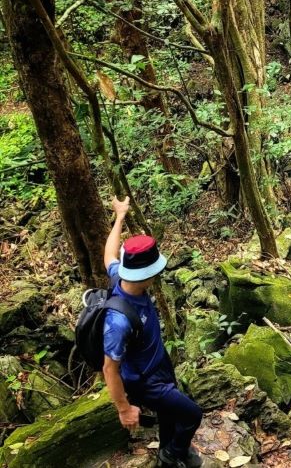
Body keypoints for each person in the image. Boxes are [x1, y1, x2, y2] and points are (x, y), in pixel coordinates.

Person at [102, 196, 203, 468]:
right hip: (146, 381)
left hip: (159, 363)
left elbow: (108, 255)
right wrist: (124, 408)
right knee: (193, 415)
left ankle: (168, 453)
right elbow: (110, 368)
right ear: (145, 275)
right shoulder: (118, 322)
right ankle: (172, 454)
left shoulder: (120, 276)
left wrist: (120, 216)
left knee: (169, 416)